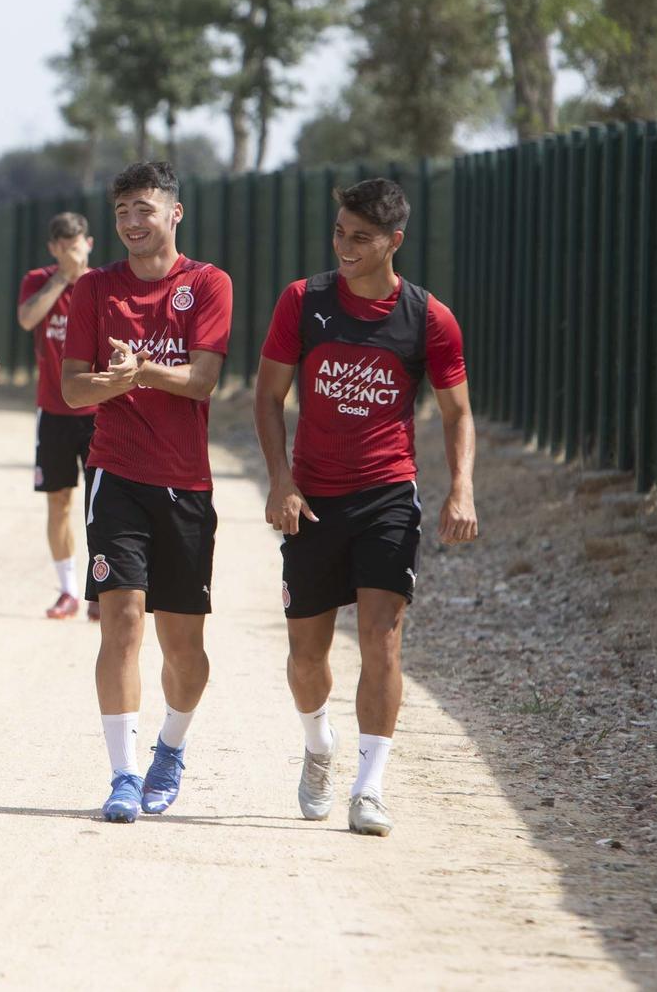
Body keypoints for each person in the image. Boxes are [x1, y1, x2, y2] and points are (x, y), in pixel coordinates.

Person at [253, 178, 477, 838]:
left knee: (382, 637)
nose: (344, 247)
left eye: (360, 237)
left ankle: (370, 786)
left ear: (393, 242)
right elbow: (267, 397)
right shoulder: (304, 301)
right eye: (339, 233)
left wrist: (460, 486)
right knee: (305, 653)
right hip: (312, 498)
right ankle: (319, 743)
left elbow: (456, 411)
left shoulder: (428, 318)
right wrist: (280, 478)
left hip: (386, 495)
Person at [61, 160, 231, 824]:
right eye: (123, 210)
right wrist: (121, 381)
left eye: (145, 209)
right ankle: (124, 774)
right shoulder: (95, 289)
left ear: (174, 213)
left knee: (184, 647)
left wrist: (140, 371)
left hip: (186, 482)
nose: (133, 221)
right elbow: (76, 390)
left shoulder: (208, 283)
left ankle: (170, 748)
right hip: (116, 473)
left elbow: (203, 380)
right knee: (122, 618)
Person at [16, 211, 98, 620]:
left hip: (99, 410)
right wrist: (62, 278)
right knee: (59, 501)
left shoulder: (103, 283)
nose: (71, 252)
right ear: (53, 248)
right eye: (63, 246)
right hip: (53, 410)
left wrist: (81, 277)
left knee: (103, 503)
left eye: (77, 243)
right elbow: (28, 318)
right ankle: (68, 589)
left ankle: (102, 588)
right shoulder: (39, 279)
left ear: (90, 243)